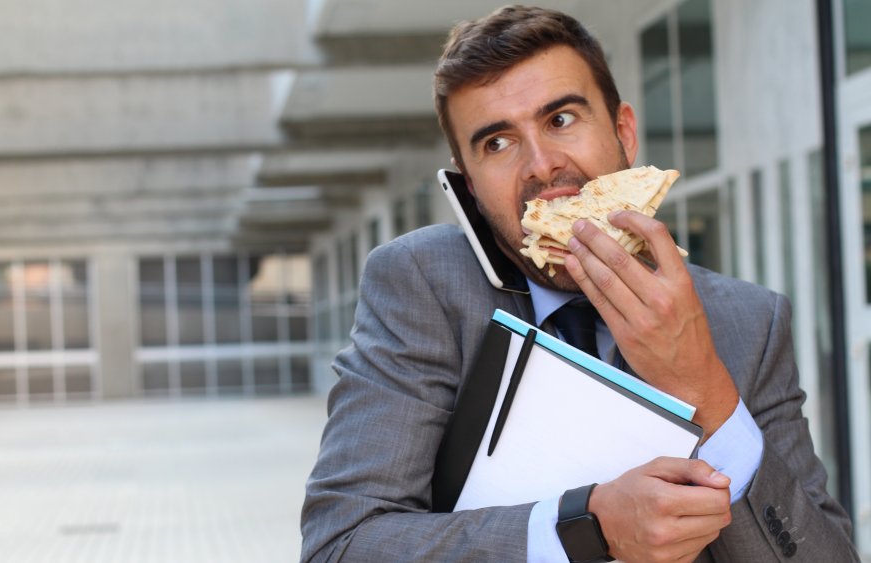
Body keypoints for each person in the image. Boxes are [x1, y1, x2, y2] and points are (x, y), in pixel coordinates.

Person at [301, 5, 859, 562]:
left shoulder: (750, 321)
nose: (541, 166)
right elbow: (342, 545)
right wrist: (585, 528)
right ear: (469, 187)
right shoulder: (423, 287)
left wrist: (704, 390)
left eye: (561, 120)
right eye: (497, 143)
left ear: (624, 132)